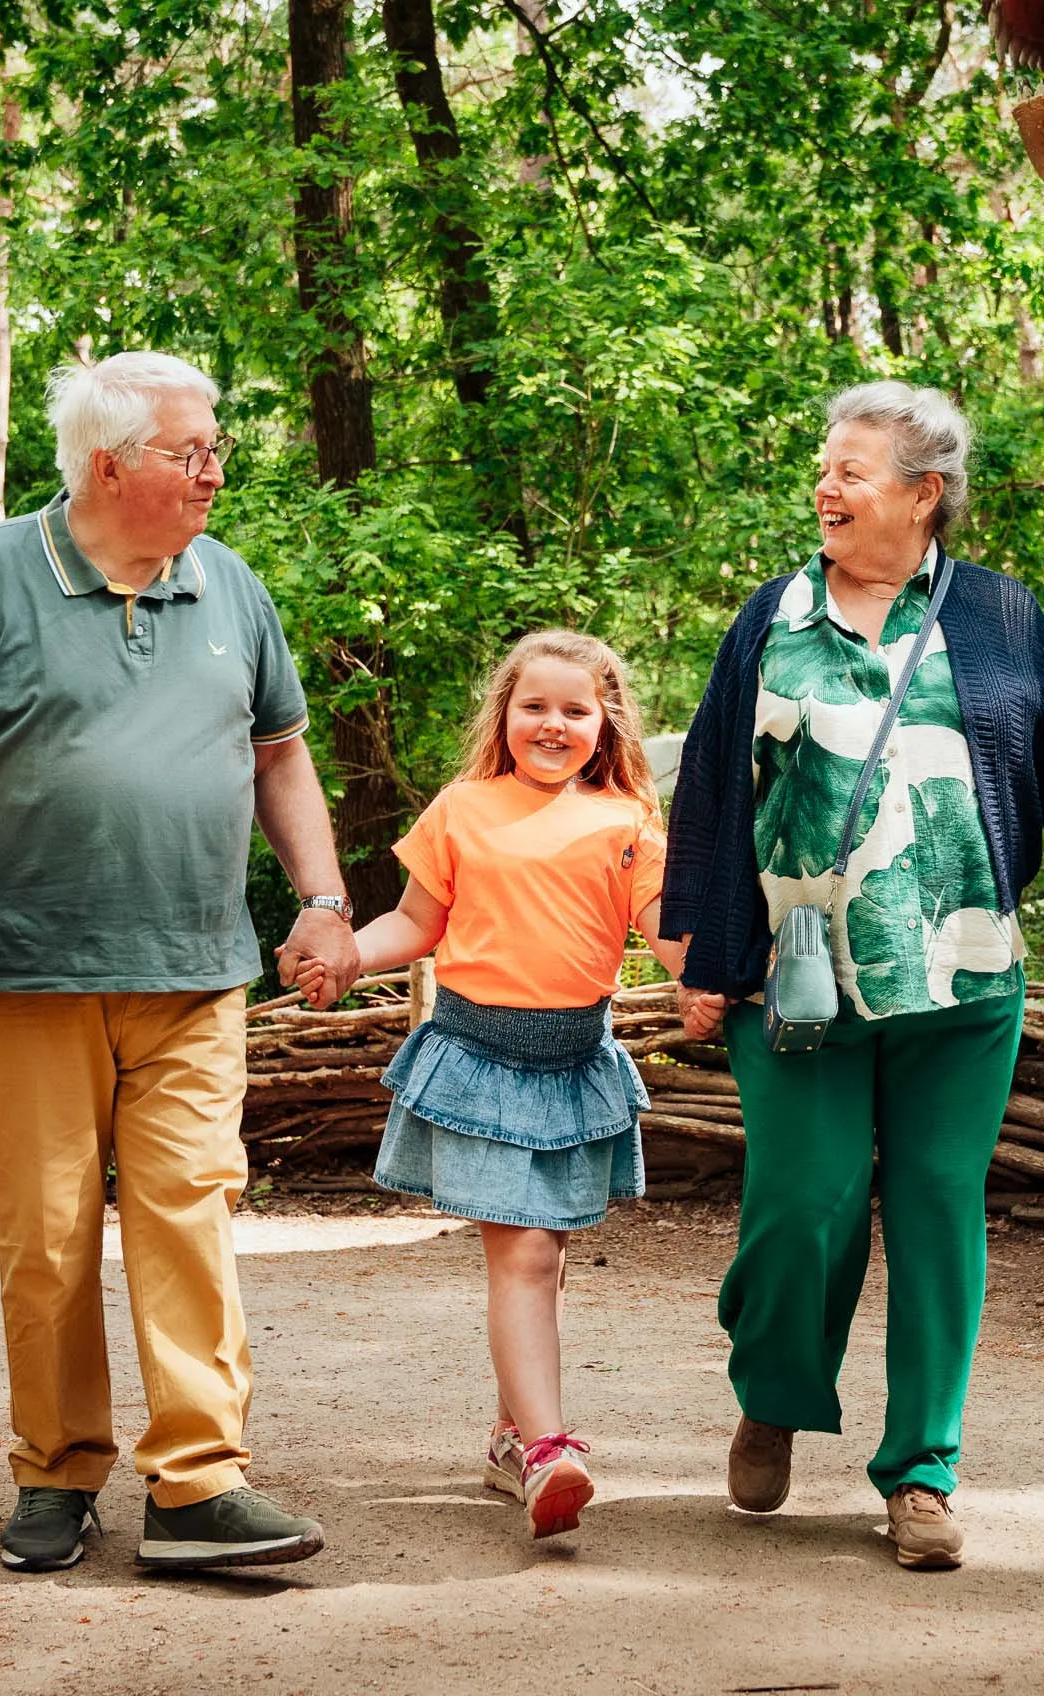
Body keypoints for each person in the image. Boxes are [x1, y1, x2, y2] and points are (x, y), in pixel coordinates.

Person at [0, 350, 362, 1577]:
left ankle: (197, 1482)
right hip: (28, 969)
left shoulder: (231, 586)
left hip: (193, 967)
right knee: (49, 1232)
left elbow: (281, 752)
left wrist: (326, 898)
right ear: (109, 463)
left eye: (215, 447)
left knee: (193, 1211)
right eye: (193, 452)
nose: (215, 470)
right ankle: (56, 1468)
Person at [660, 380, 1044, 1572]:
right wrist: (696, 946)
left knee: (937, 1210)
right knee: (798, 1205)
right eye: (825, 468)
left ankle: (921, 1472)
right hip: (801, 978)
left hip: (966, 972)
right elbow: (715, 788)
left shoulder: (999, 617)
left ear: (923, 495)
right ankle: (773, 1389)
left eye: (852, 470)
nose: (826, 487)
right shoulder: (771, 617)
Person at [295, 631, 680, 1540]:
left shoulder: (627, 824)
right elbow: (414, 921)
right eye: (533, 707)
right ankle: (548, 1448)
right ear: (504, 717)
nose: (553, 724)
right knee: (526, 1258)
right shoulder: (465, 808)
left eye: (575, 710)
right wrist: (349, 956)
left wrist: (713, 980)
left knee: (542, 1261)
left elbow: (667, 933)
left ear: (605, 723)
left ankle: (513, 1435)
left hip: (576, 1063)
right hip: (478, 1060)